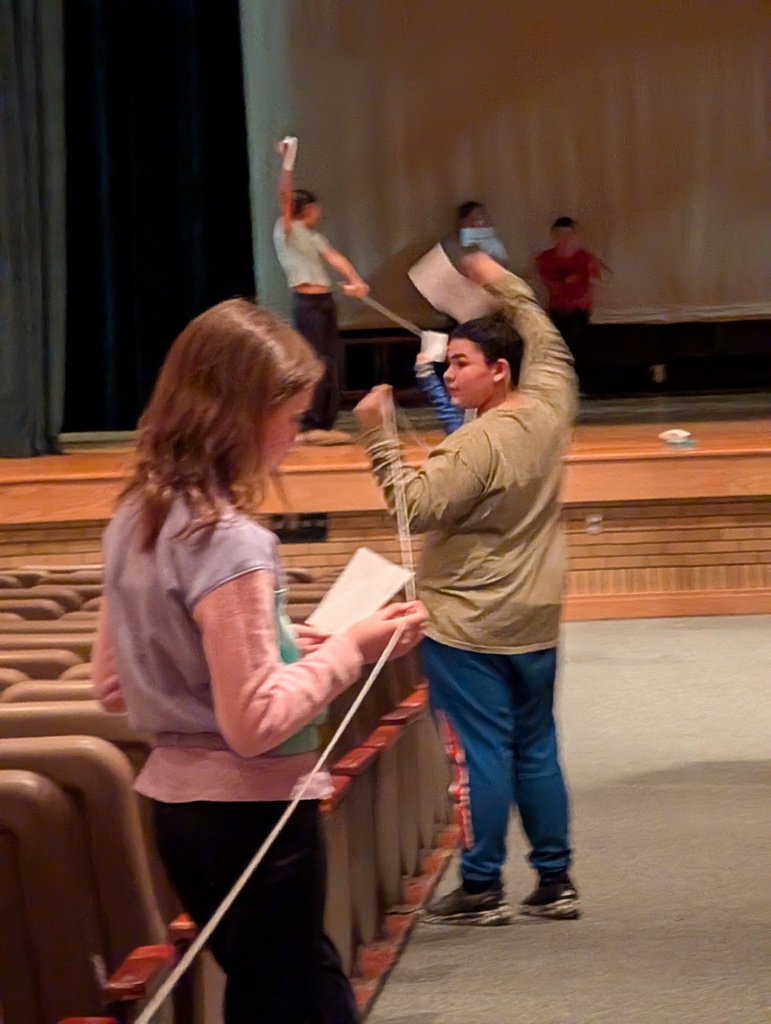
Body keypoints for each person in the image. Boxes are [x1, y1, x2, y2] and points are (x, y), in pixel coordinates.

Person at [92, 297, 427, 1024]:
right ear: (237, 416)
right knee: (293, 995)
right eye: (291, 418)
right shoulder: (231, 540)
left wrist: (277, 640)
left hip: (178, 816)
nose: (297, 437)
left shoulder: (134, 514)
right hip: (251, 814)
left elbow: (114, 682)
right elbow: (254, 723)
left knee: (269, 988)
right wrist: (352, 647)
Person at [355, 251, 579, 926]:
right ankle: (555, 880)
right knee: (535, 746)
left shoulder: (477, 444)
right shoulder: (552, 404)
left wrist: (378, 435)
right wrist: (501, 283)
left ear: (498, 370)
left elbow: (412, 507)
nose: (447, 373)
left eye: (460, 363)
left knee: (480, 752)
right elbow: (541, 330)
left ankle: (481, 886)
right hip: (534, 615)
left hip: (467, 621)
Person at [273, 137, 369, 445]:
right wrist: (289, 158)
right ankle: (310, 422)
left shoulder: (313, 237)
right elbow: (284, 194)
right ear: (307, 208)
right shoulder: (286, 229)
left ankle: (325, 423)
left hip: (325, 300)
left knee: (330, 361)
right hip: (307, 303)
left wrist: (356, 281)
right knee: (313, 360)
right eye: (316, 208)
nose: (319, 212)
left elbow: (334, 258)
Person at [535, 216, 604, 380]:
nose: (563, 239)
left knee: (578, 347)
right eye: (559, 235)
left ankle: (578, 380)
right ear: (553, 236)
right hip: (556, 309)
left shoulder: (585, 258)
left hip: (579, 310)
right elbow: (542, 282)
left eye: (567, 235)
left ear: (574, 237)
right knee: (558, 348)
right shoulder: (546, 258)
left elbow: (599, 280)